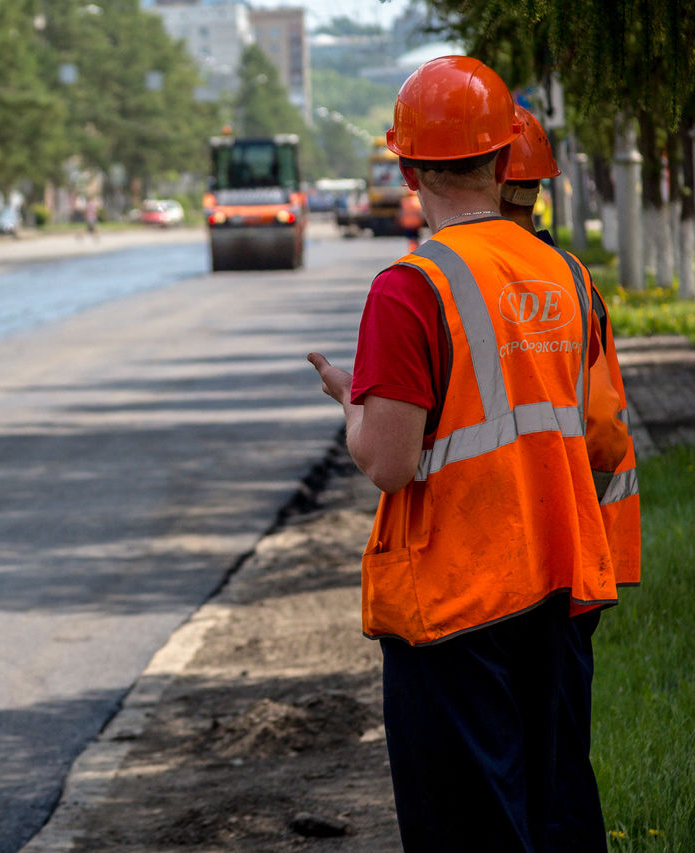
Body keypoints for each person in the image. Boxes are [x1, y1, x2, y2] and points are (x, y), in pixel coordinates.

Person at [306, 56, 619, 853]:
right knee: (546, 814)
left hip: (454, 604)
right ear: (501, 157)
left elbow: (389, 462)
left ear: (409, 169)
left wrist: (353, 405)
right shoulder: (566, 274)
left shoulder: (411, 288)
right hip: (552, 582)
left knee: (467, 832)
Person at [502, 104, 641, 852]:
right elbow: (606, 431)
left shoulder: (473, 282)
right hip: (575, 557)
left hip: (513, 561)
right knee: (559, 760)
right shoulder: (572, 279)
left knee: (518, 771)